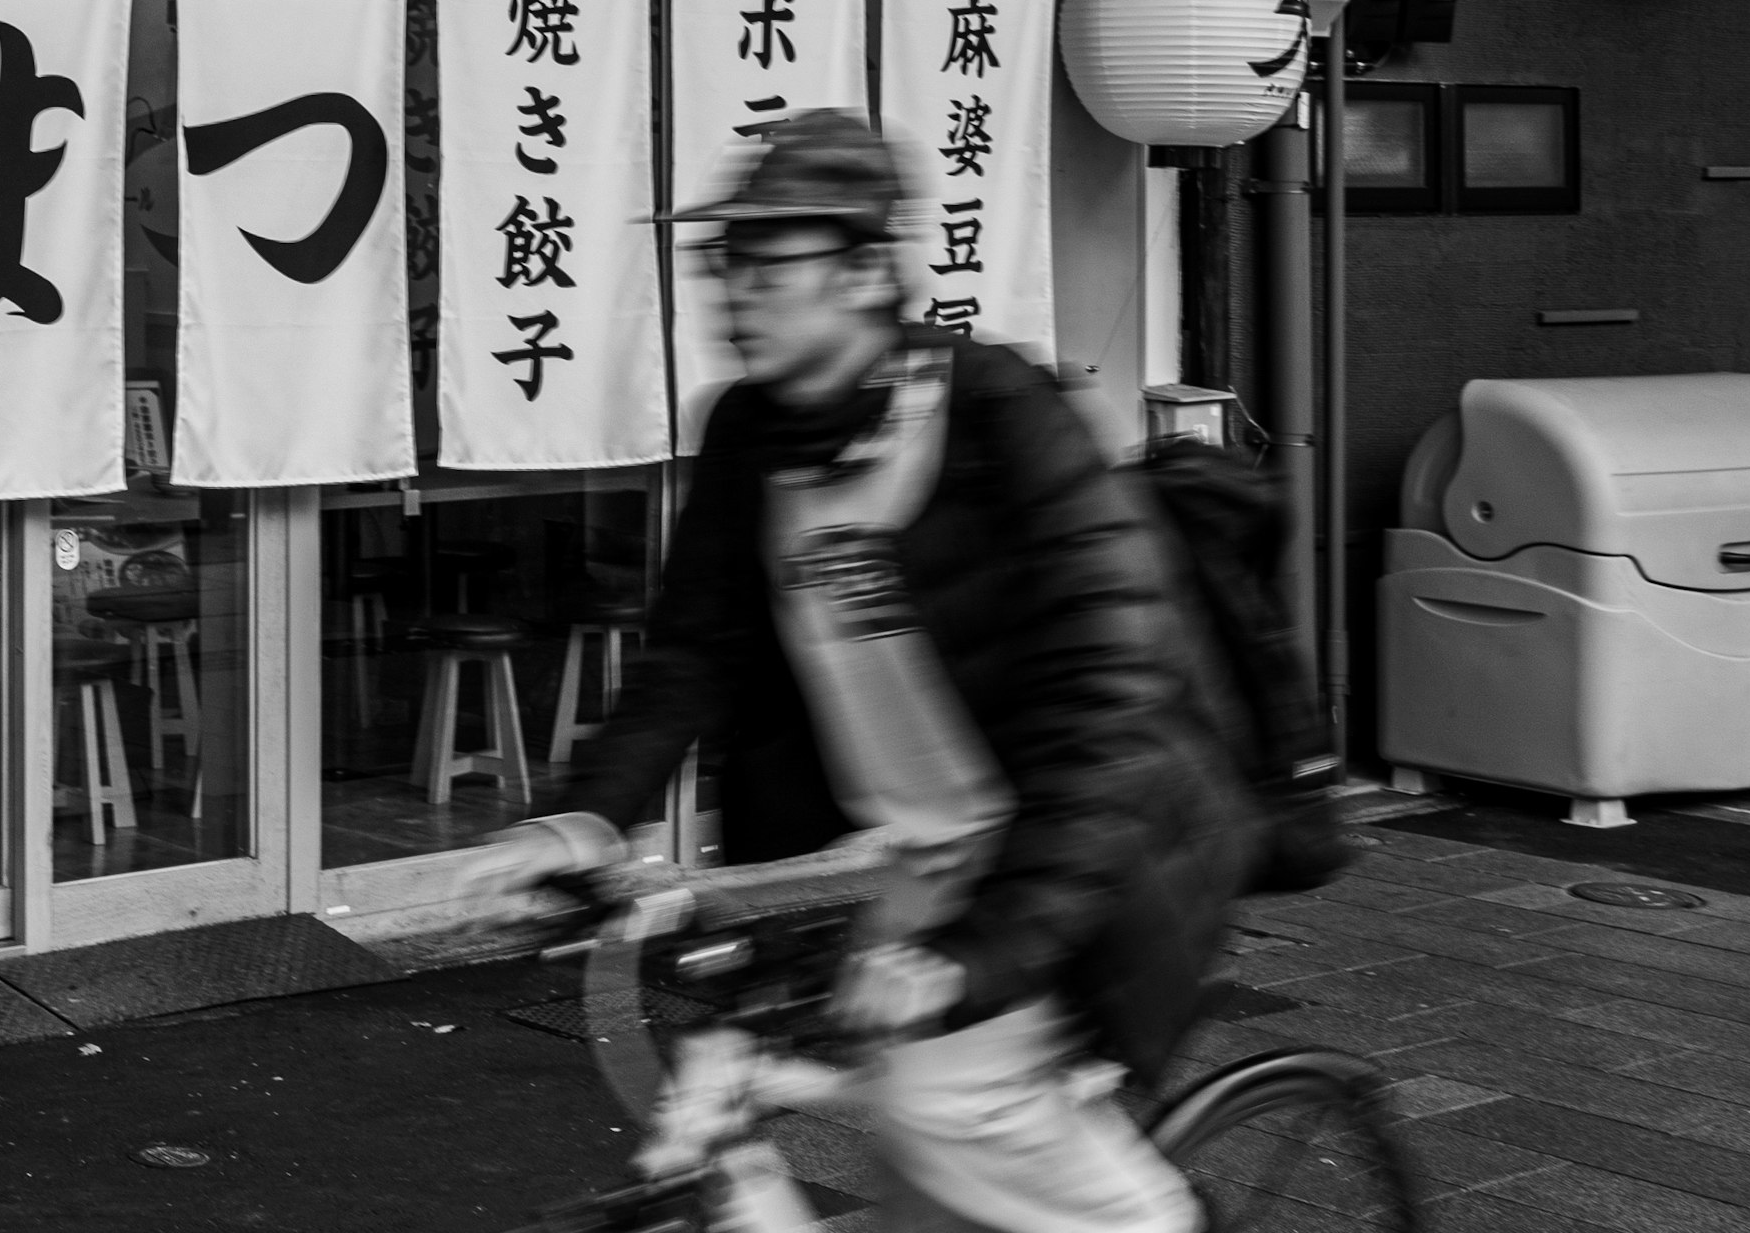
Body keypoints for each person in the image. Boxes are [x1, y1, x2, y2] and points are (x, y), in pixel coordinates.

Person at [474, 110, 1248, 1233]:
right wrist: (583, 820)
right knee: (830, 1127)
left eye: (770, 266)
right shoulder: (749, 430)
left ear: (867, 271)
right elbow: (699, 649)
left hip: (1082, 848)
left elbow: (1107, 712)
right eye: (723, 266)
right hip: (887, 861)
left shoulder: (1001, 420)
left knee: (950, 1103)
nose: (738, 295)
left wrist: (981, 954)